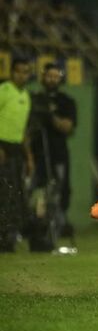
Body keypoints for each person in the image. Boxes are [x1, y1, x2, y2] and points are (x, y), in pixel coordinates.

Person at [28, 62, 77, 250]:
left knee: (57, 196)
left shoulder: (66, 101)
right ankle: (34, 235)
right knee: (33, 195)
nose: (52, 80)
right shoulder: (34, 99)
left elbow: (67, 126)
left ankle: (51, 237)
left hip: (57, 156)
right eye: (49, 76)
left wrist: (50, 114)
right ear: (43, 77)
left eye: (56, 76)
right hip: (36, 154)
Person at [0, 57, 32, 252]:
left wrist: (29, 157)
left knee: (13, 195)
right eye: (18, 71)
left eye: (25, 72)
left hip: (16, 151)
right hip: (2, 148)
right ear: (12, 72)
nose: (22, 75)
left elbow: (23, 131)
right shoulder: (4, 90)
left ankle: (7, 239)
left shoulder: (26, 95)